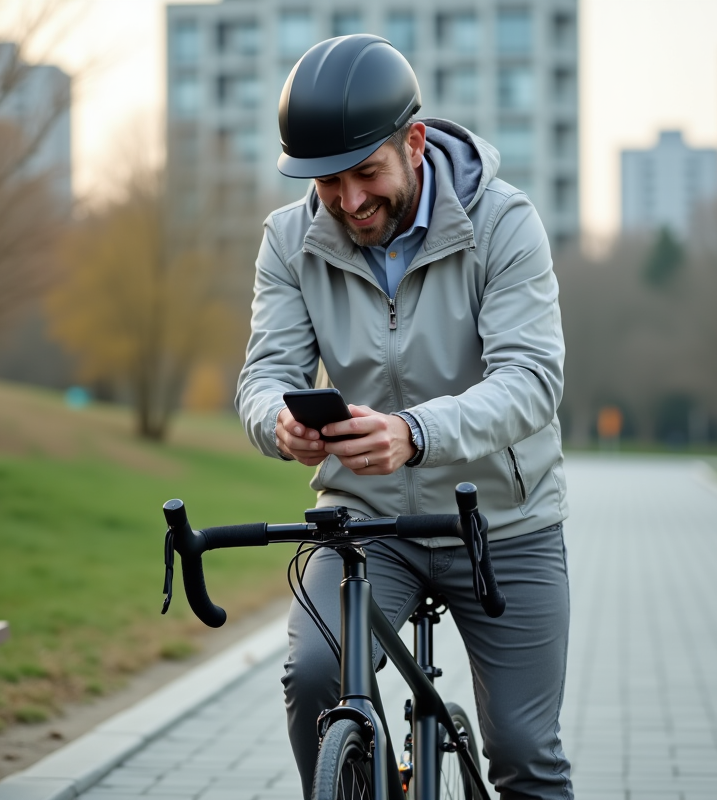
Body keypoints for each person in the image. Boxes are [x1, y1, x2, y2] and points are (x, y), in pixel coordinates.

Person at [235, 34, 571, 800]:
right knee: (315, 675)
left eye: (367, 174)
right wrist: (279, 425)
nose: (350, 202)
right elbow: (264, 377)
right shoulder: (288, 242)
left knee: (526, 755)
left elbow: (532, 379)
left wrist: (415, 433)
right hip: (364, 523)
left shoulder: (504, 224)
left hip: (501, 524)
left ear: (413, 143)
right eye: (328, 184)